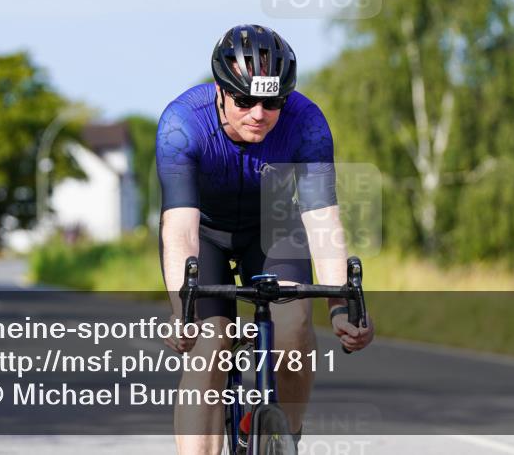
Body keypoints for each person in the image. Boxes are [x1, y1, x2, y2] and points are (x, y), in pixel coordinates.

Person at [156, 24, 374, 454]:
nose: (259, 113)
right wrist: (182, 310)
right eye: (244, 100)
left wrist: (340, 308)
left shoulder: (306, 124)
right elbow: (180, 230)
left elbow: (322, 220)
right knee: (210, 343)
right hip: (205, 234)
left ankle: (284, 439)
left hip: (273, 228)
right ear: (220, 90)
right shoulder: (182, 125)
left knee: (293, 331)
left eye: (272, 102)